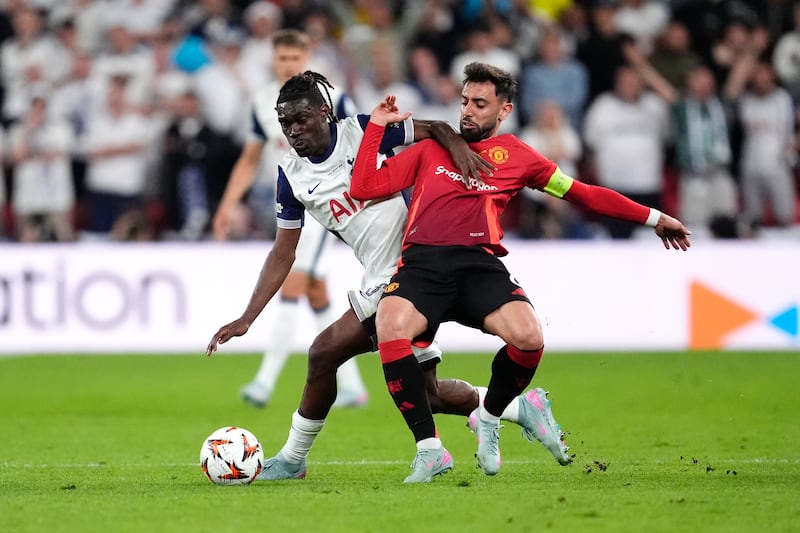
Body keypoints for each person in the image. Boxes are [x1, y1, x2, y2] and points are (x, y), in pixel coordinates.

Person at [206, 71, 572, 482]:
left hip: (413, 271)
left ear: (324, 112)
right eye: (285, 123)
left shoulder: (362, 131)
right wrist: (247, 317)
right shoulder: (291, 176)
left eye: (301, 119)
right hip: (384, 278)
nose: (293, 131)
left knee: (324, 353)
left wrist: (458, 147)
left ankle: (294, 459)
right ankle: (522, 409)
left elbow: (435, 128)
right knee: (429, 395)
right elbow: (282, 252)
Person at [349, 62, 691, 483]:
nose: (467, 111)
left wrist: (654, 217)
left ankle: (491, 415)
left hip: (478, 265)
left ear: (504, 110)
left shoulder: (519, 156)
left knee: (529, 337)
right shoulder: (429, 150)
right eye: (464, 102)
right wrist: (376, 127)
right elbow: (363, 188)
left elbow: (584, 194)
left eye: (479, 104)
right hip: (423, 263)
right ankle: (429, 449)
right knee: (390, 325)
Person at [211, 29, 368, 408]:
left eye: (295, 58)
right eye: (282, 58)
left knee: (292, 284)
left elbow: (361, 141)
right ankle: (352, 386)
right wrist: (227, 205)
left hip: (329, 204)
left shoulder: (332, 98)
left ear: (307, 57)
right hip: (293, 199)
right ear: (273, 59)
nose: (288, 65)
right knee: (316, 292)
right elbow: (250, 159)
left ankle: (264, 382)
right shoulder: (262, 101)